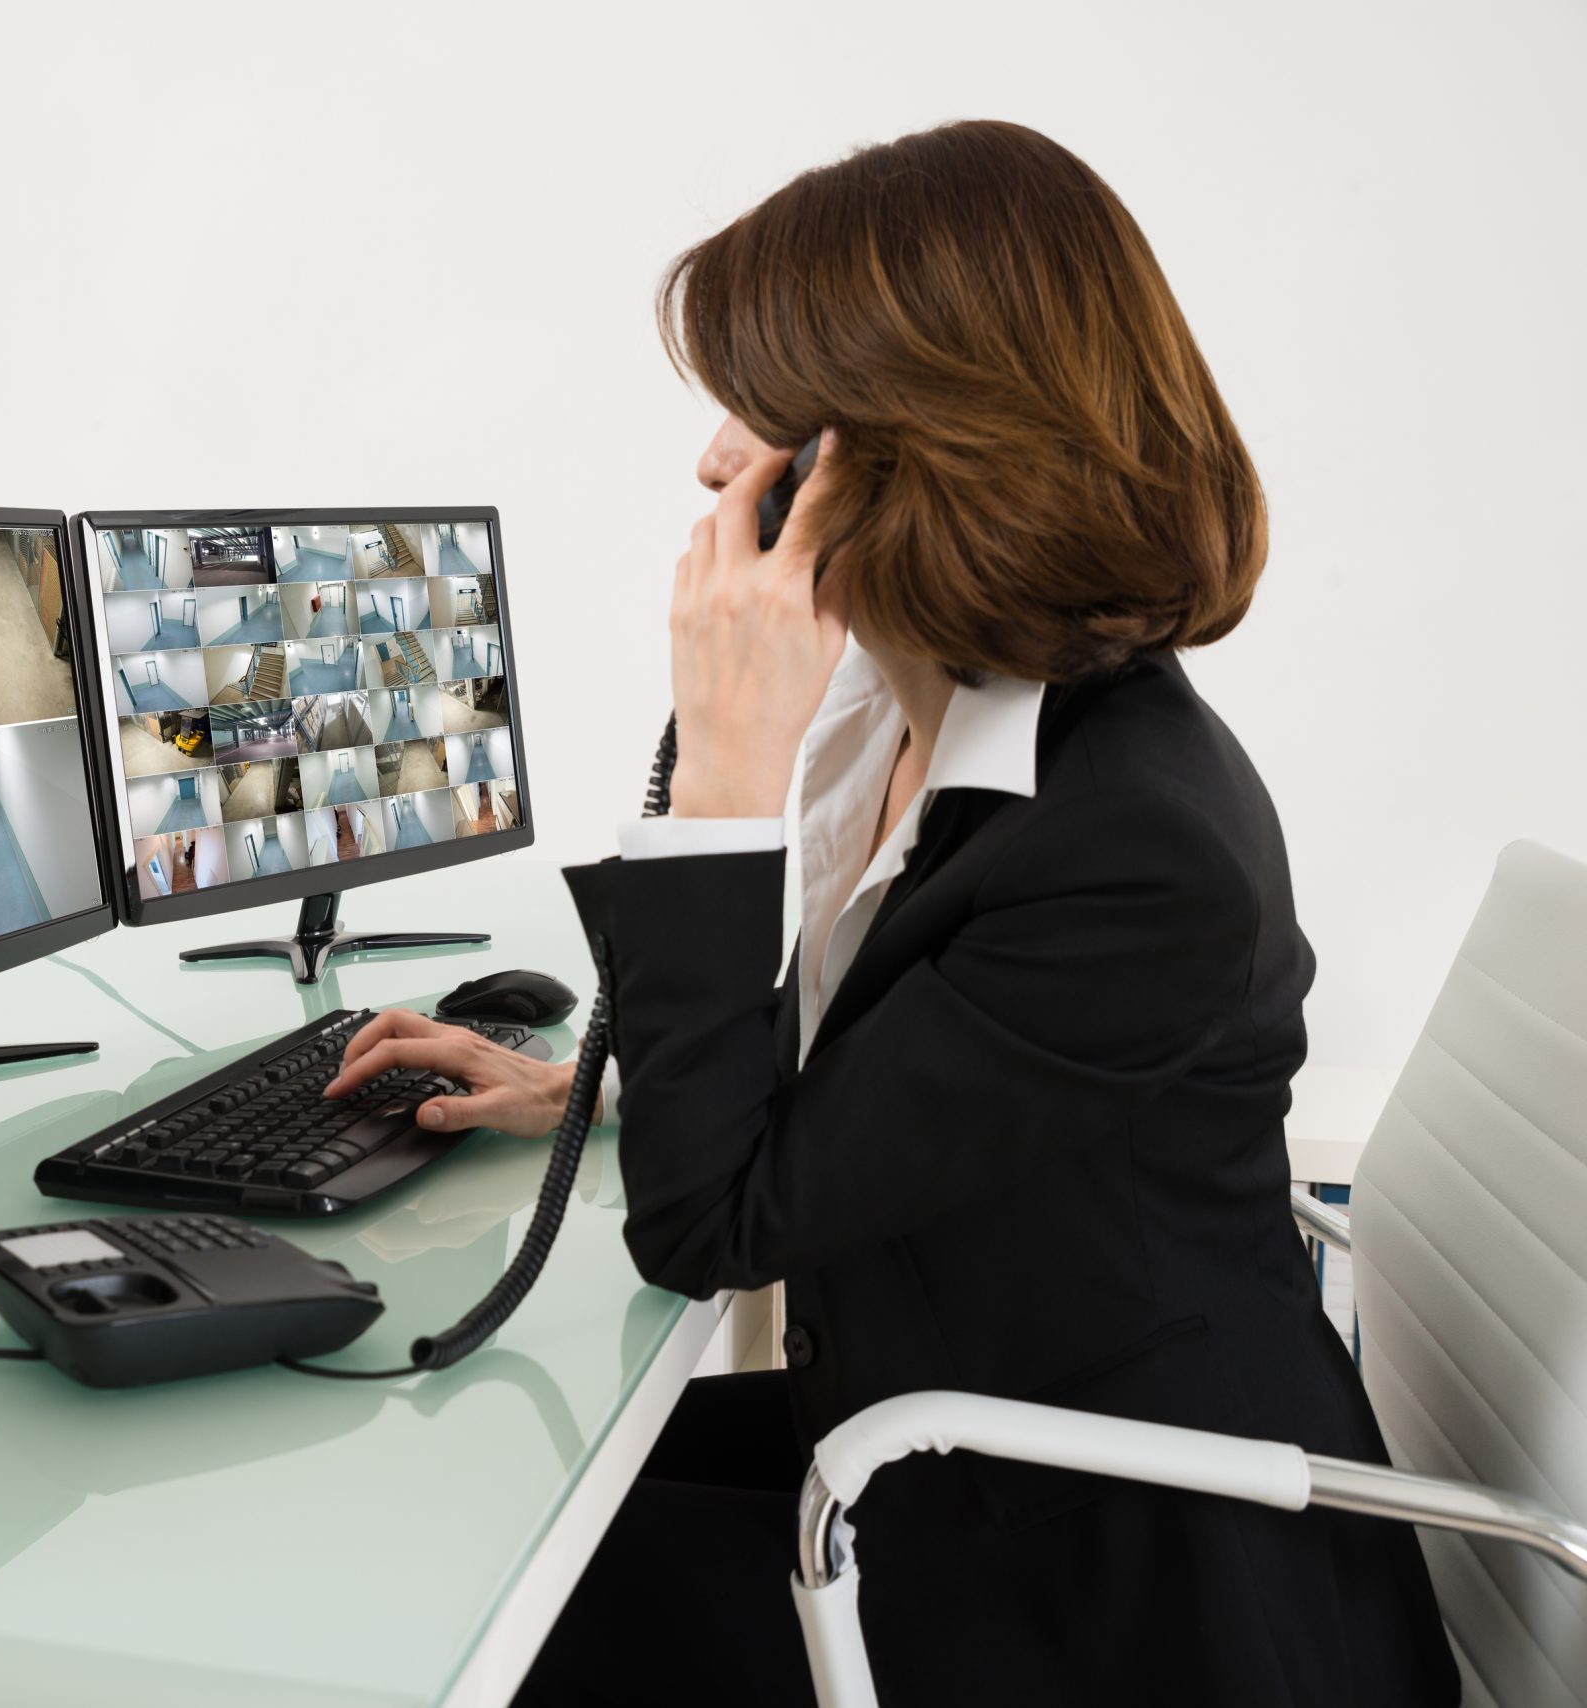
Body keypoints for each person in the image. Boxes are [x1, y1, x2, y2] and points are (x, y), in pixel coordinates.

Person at [323, 120, 1458, 1707]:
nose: (715, 460)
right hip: (944, 1423)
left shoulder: (1137, 849)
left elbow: (712, 1231)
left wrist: (720, 767)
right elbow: (913, 1075)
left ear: (922, 448)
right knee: (451, 1514)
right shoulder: (928, 709)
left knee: (450, 1635)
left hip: (1116, 1581)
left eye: (761, 413)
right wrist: (593, 1089)